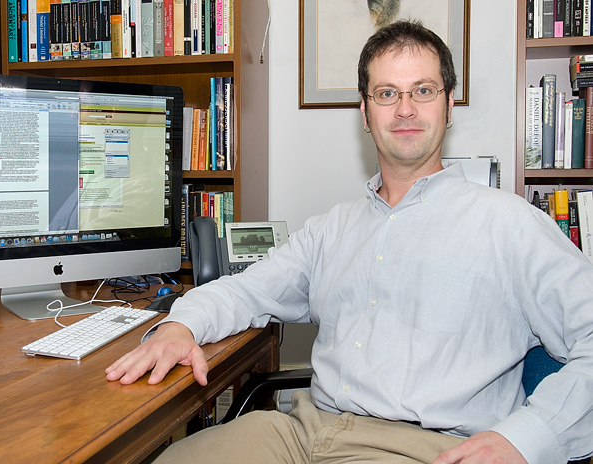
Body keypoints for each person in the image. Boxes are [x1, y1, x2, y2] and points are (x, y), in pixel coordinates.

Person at [106, 20, 593, 464]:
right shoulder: (331, 230)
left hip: (424, 449)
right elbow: (245, 291)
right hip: (299, 433)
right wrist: (179, 326)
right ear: (364, 111)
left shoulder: (509, 224)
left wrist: (525, 439)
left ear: (449, 104)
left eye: (423, 90)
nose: (405, 108)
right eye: (386, 93)